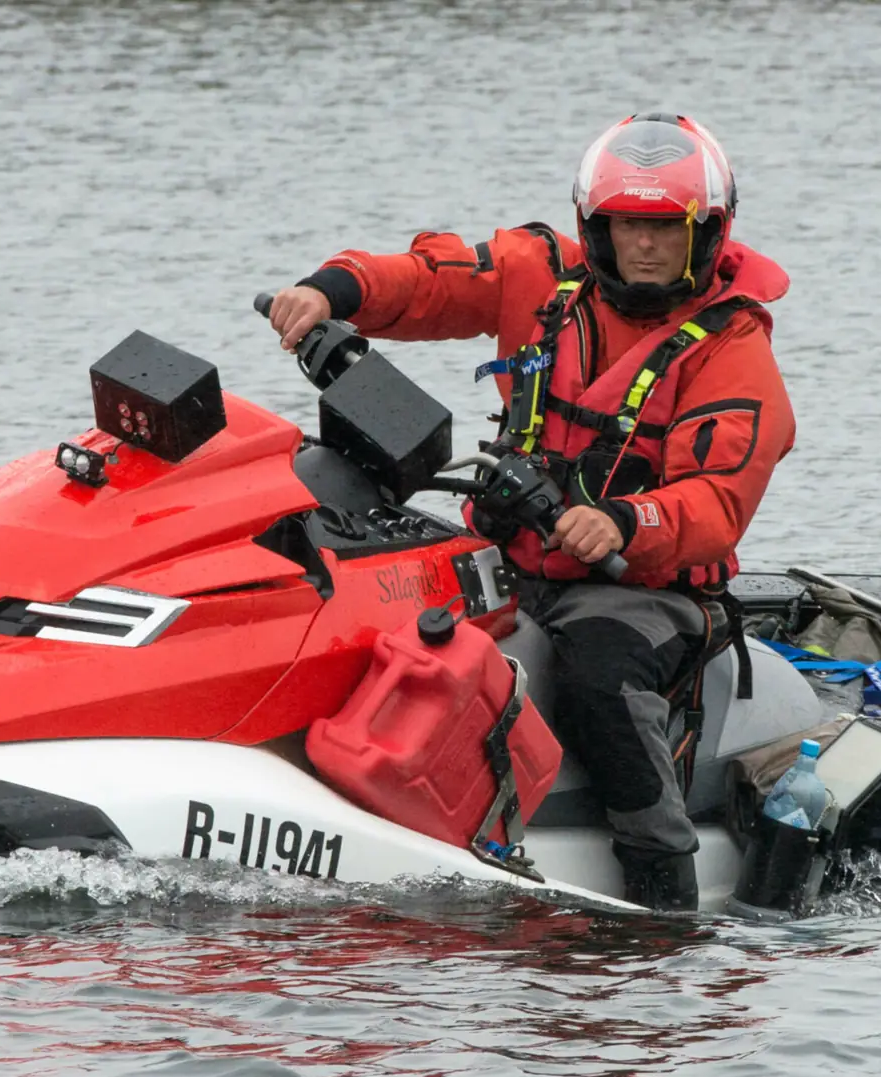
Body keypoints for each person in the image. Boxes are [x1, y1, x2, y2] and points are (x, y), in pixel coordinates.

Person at [266, 112, 795, 910]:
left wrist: (626, 522)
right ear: (595, 226)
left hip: (641, 589)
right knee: (358, 596)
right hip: (504, 559)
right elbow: (433, 278)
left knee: (598, 678)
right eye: (625, 226)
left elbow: (718, 501)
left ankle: (662, 888)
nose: (643, 246)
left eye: (665, 228)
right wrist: (330, 291)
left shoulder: (734, 350)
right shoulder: (546, 275)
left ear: (707, 233)